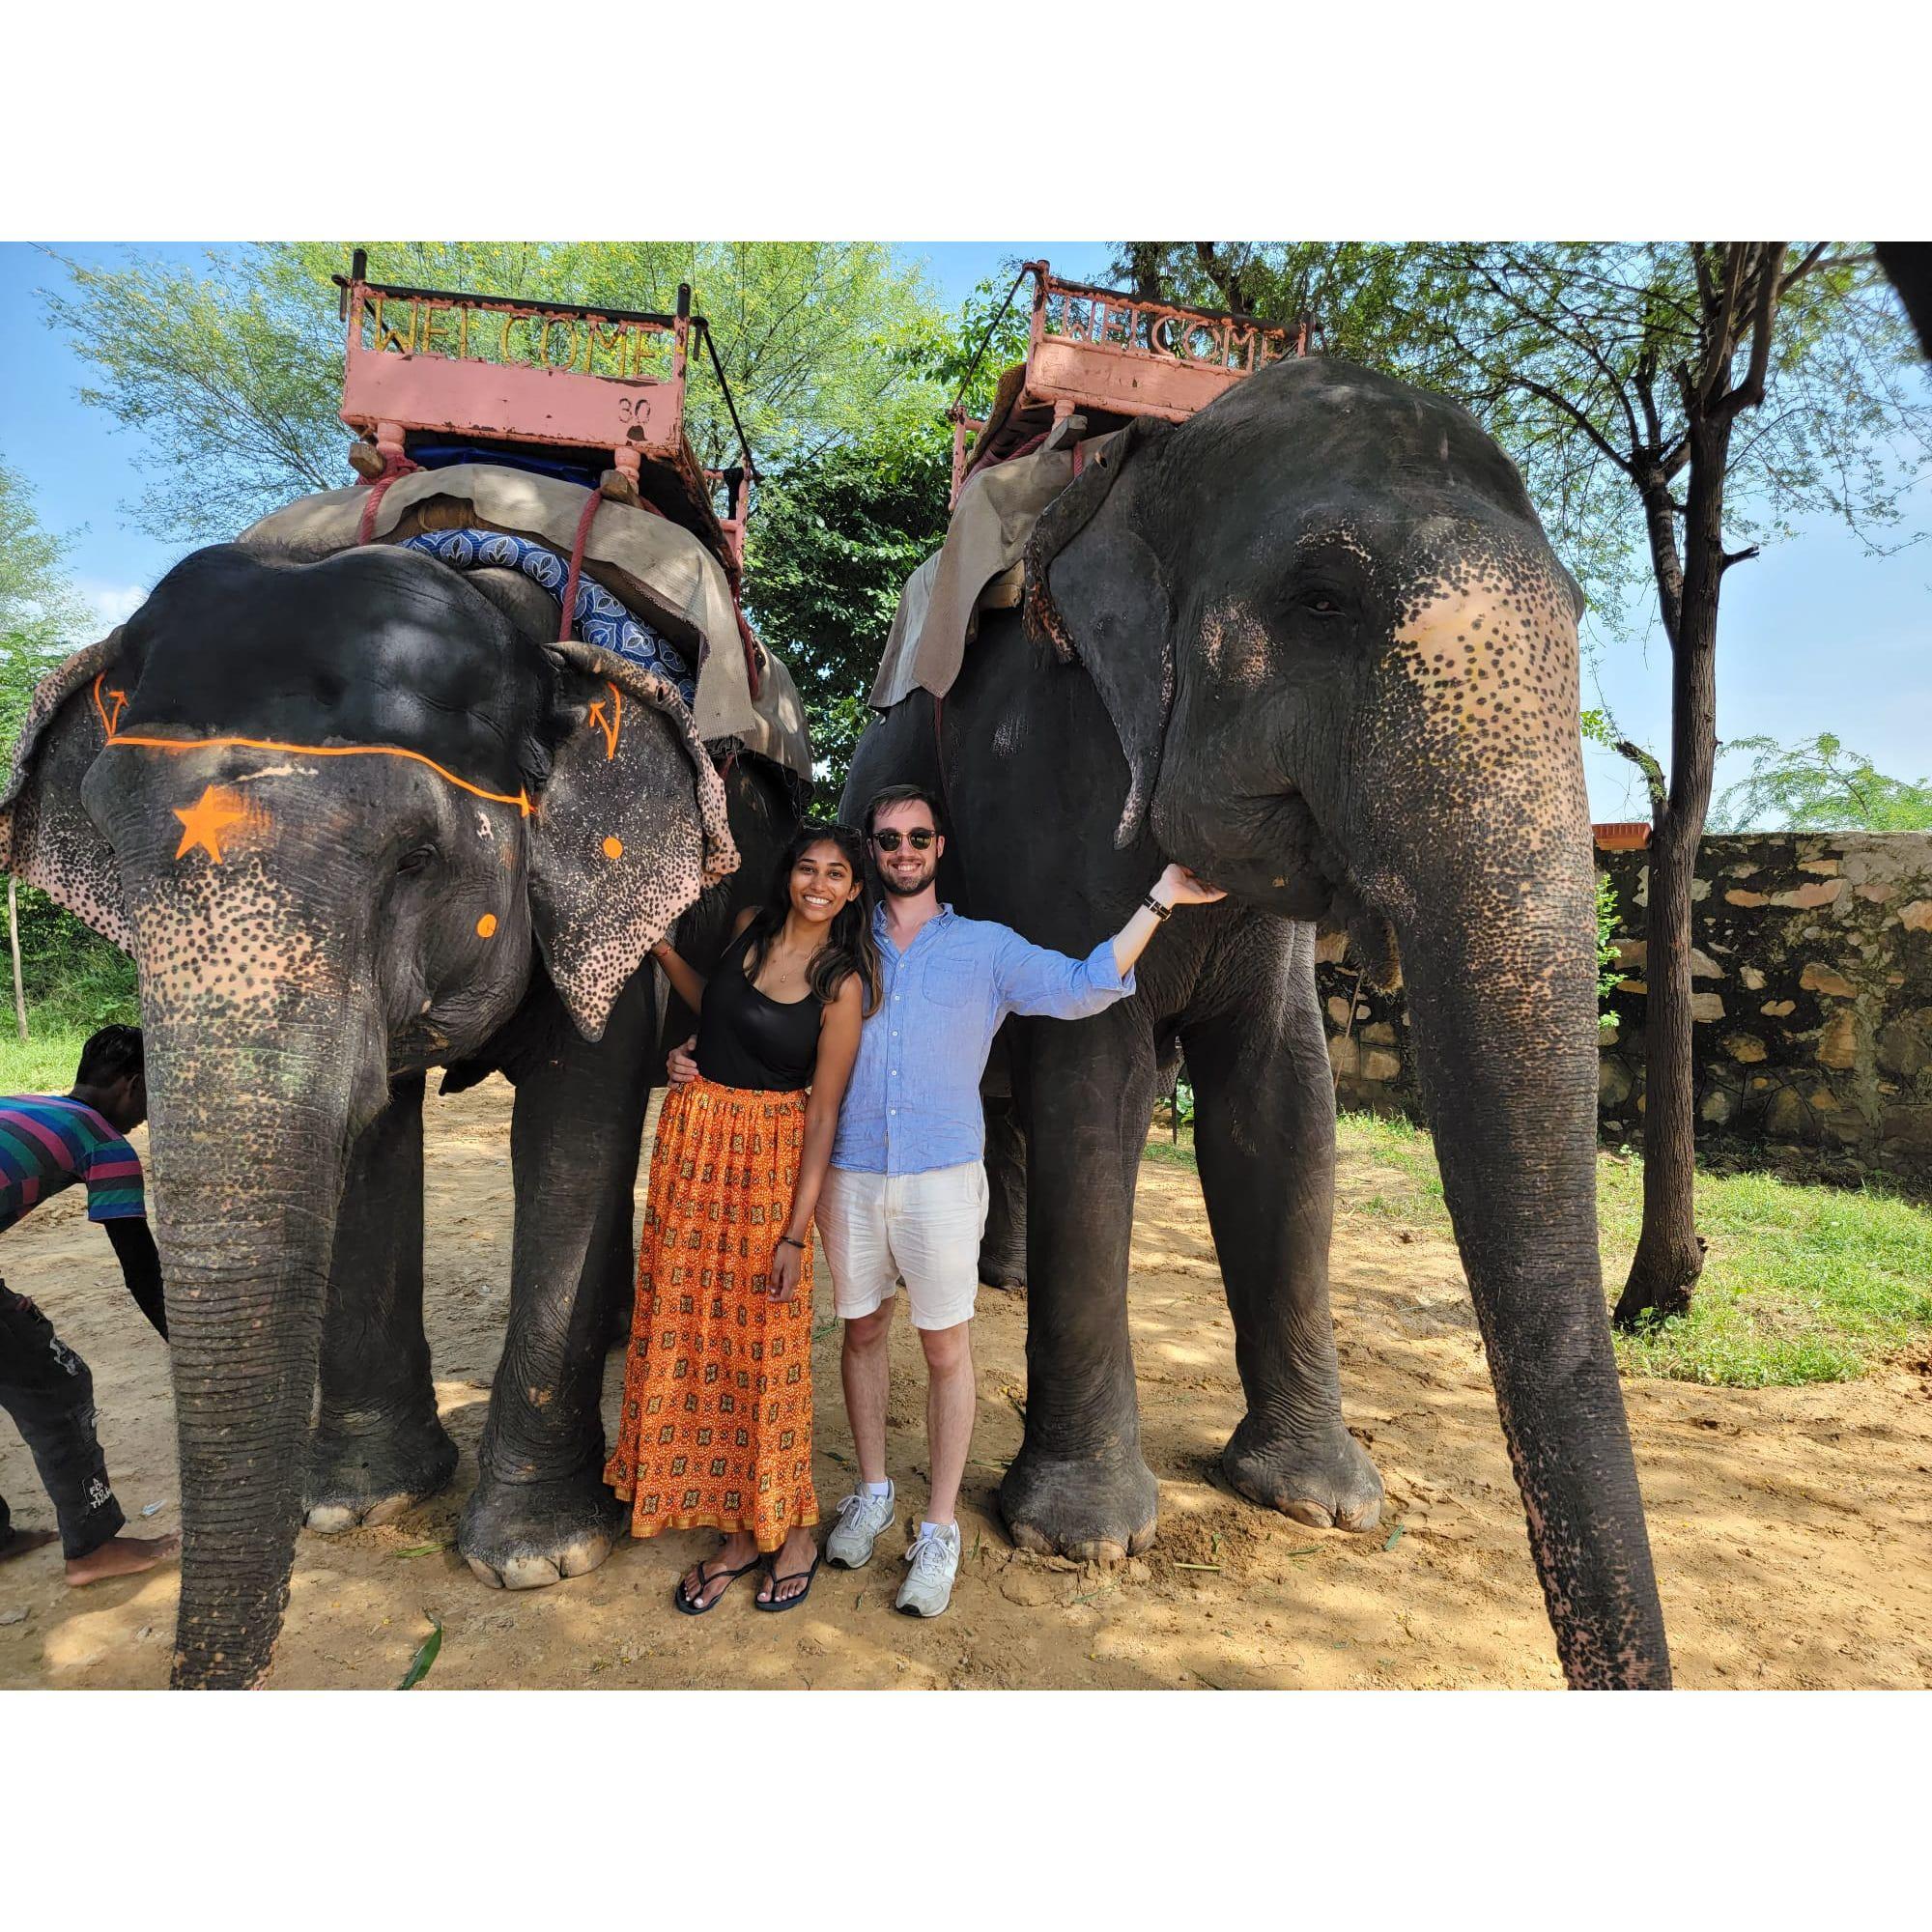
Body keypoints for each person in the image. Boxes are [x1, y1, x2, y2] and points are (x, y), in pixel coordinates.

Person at [668, 783, 1222, 1617]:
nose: (902, 852)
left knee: (944, 1349)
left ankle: (937, 1529)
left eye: (916, 838)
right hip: (850, 1174)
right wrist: (695, 1057)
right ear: (871, 856)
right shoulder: (840, 950)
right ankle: (874, 1490)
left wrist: (1161, 899)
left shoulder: (986, 949)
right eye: (886, 840)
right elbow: (762, 1023)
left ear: (937, 849)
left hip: (942, 1178)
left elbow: (1082, 984)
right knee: (860, 1332)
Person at [604, 822, 875, 1614]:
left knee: (764, 1348)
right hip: (694, 1150)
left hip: (767, 1169)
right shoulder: (751, 928)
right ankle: (734, 1525)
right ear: (789, 874)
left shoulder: (842, 984)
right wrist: (662, 956)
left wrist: (796, 1231)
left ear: (854, 891)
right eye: (807, 868)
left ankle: (790, 1530)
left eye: (836, 874)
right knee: (695, 1337)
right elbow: (718, 1006)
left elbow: (823, 1114)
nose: (818, 884)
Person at [0, 1023, 180, 1586]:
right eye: (155, 1094)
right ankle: (94, 1547)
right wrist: (190, 1349)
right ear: (130, 1084)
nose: (149, 1113)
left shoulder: (22, 1102)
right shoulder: (106, 1143)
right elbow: (141, 1270)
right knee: (57, 1387)